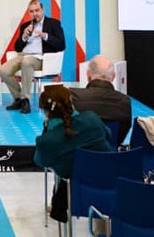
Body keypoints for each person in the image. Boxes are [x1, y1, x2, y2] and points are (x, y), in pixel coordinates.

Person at [35, 83, 114, 223]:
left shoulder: (47, 141)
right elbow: (109, 135)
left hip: (78, 194)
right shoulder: (92, 118)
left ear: (46, 112)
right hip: (114, 186)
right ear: (71, 102)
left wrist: (47, 129)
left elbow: (41, 161)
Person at [0, 0, 66, 114]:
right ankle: (18, 99)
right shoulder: (26, 26)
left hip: (40, 57)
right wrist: (24, 36)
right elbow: (17, 48)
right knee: (3, 70)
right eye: (31, 11)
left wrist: (45, 36)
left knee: (27, 62)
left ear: (43, 10)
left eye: (37, 10)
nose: (35, 13)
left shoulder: (53, 24)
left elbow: (61, 44)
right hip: (23, 55)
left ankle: (26, 99)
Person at [70, 55, 131, 143]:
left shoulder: (73, 96)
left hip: (79, 154)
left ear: (88, 75)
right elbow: (120, 136)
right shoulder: (124, 102)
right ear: (113, 76)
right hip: (111, 153)